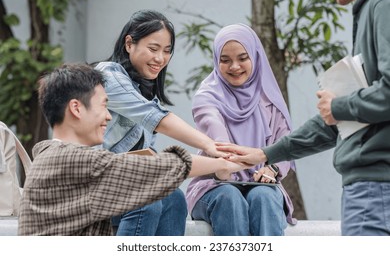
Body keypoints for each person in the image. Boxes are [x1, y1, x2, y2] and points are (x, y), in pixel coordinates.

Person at [216, 0, 390, 236]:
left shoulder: (383, 3)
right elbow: (337, 123)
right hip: (369, 187)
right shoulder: (373, 6)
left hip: (376, 188)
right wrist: (265, 154)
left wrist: (339, 106)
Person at [17, 63, 249, 236]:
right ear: (76, 108)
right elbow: (161, 168)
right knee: (144, 195)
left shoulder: (52, 154)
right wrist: (227, 162)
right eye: (104, 106)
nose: (108, 116)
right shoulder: (73, 160)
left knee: (171, 196)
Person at [93, 10, 229, 236]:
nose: (160, 59)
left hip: (120, 187)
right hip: (91, 188)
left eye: (167, 51)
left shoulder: (146, 92)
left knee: (174, 197)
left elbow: (148, 156)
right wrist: (209, 146)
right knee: (147, 199)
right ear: (129, 43)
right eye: (153, 49)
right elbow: (158, 118)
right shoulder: (107, 76)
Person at [185, 24, 296, 236]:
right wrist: (228, 162)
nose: (234, 66)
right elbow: (220, 143)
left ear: (255, 56)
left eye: (242, 58)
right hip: (214, 184)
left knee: (263, 197)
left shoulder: (269, 99)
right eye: (225, 60)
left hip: (261, 184)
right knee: (229, 198)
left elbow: (284, 145)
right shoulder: (206, 98)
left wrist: (271, 170)